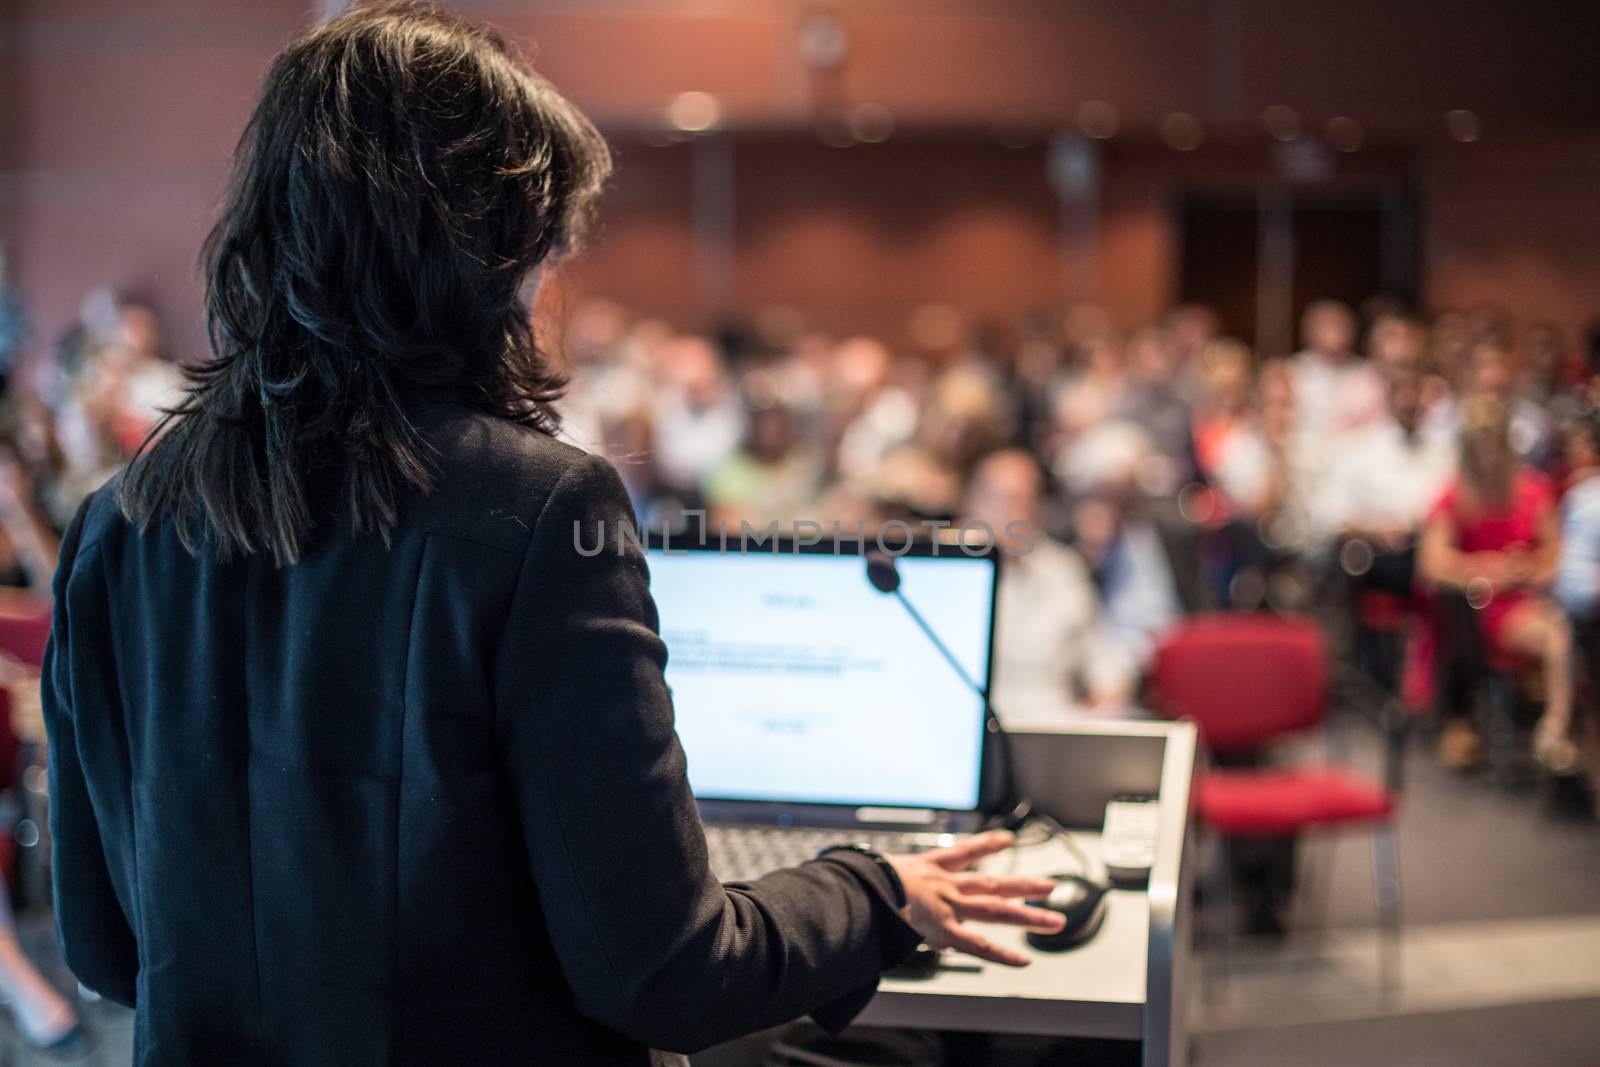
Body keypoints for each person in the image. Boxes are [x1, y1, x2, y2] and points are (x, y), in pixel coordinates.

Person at [42, 7, 1061, 1065]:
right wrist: (877, 887)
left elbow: (109, 948)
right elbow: (666, 972)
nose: (538, 294)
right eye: (537, 254)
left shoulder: (115, 523)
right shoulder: (540, 511)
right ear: (480, 257)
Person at [1418, 395, 1577, 774]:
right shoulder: (1454, 496)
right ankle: (1553, 729)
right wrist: (1481, 568)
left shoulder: (1534, 491)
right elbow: (1432, 564)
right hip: (1482, 607)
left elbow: (1554, 558)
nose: (1488, 455)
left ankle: (1555, 724)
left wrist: (1522, 569)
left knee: (1562, 631)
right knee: (1557, 635)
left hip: (1528, 598)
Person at [963, 449, 1134, 721]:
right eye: (1010, 499)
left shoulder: (1064, 570)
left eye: (1031, 500)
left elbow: (1103, 659)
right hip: (976, 724)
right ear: (975, 505)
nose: (1021, 512)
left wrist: (1110, 692)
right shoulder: (953, 575)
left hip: (1057, 724)